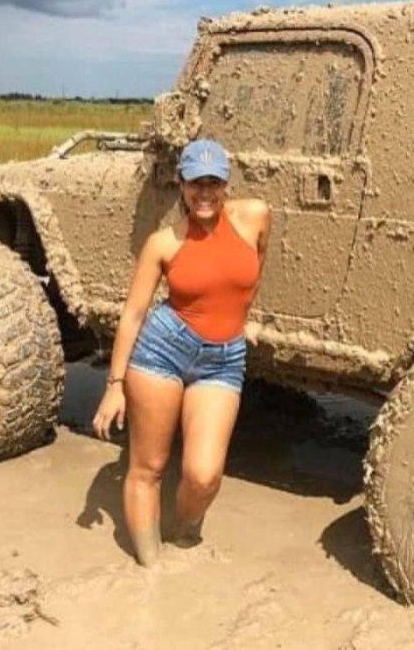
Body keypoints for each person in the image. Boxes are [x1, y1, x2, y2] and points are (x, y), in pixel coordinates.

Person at [92, 138, 270, 566]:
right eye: (195, 184)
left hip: (224, 359)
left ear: (226, 183)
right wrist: (115, 384)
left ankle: (184, 537)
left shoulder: (255, 217)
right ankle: (151, 570)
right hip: (163, 352)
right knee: (148, 467)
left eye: (213, 182)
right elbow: (134, 314)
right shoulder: (163, 242)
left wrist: (239, 321)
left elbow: (254, 270)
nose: (204, 193)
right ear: (181, 185)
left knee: (204, 475)